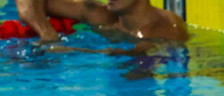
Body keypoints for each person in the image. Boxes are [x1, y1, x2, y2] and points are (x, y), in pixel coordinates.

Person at [16, 0, 188, 46]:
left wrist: (70, 49)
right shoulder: (103, 15)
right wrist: (47, 33)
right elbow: (28, 5)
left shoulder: (161, 30)